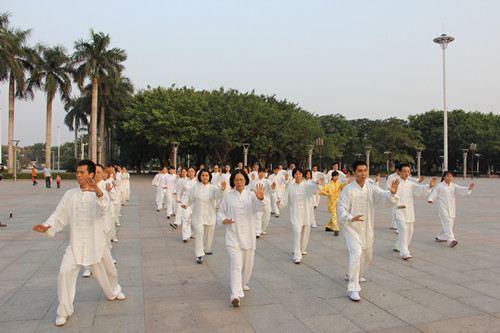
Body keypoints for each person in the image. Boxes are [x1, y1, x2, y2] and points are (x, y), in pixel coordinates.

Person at [32, 160, 125, 326]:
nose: (79, 175)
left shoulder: (99, 192)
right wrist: (47, 225)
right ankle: (63, 311)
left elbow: (104, 208)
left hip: (97, 243)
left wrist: (97, 191)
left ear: (90, 174)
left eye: (82, 172)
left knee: (108, 271)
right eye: (77, 172)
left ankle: (113, 291)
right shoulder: (70, 195)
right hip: (76, 245)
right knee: (64, 272)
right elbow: (58, 214)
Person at [337, 161, 399, 302]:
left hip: (367, 227)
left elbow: (385, 199)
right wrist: (351, 217)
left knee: (367, 256)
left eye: (365, 170)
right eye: (360, 171)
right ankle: (353, 288)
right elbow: (340, 208)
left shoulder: (372, 188)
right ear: (354, 172)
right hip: (352, 227)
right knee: (357, 253)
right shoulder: (348, 189)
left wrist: (392, 194)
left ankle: (355, 275)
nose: (363, 173)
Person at [217, 169, 265, 307]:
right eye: (236, 180)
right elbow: (220, 212)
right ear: (233, 181)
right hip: (233, 236)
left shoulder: (251, 195)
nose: (239, 182)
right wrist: (224, 219)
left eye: (241, 179)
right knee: (236, 265)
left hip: (249, 236)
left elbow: (260, 207)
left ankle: (242, 283)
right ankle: (235, 295)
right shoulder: (227, 196)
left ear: (246, 180)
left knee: (247, 266)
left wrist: (261, 198)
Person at [278, 167, 322, 264]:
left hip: (306, 213)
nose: (298, 176)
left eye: (299, 174)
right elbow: (285, 198)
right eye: (296, 174)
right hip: (296, 214)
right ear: (293, 175)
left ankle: (301, 249)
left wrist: (318, 184)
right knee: (297, 233)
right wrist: (280, 203)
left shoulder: (307, 185)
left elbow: (315, 190)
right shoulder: (291, 187)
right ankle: (297, 255)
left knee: (305, 233)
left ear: (303, 175)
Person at [393, 164, 437, 260]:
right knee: (403, 230)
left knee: (410, 231)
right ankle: (404, 251)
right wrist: (398, 204)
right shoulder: (395, 183)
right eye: (404, 171)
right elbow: (392, 195)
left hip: (409, 211)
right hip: (400, 211)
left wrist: (429, 186)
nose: (406, 173)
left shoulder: (410, 183)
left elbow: (419, 189)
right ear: (399, 172)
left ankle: (398, 246)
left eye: (408, 171)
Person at [182, 169, 226, 263]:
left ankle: (206, 249)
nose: (205, 177)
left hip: (210, 214)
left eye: (206, 175)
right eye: (203, 175)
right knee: (199, 234)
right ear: (200, 177)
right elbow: (189, 197)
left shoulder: (213, 188)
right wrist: (185, 203)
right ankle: (199, 254)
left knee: (209, 234)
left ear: (209, 177)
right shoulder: (195, 187)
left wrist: (222, 189)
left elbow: (218, 195)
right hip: (198, 215)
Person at [427, 171, 474, 247]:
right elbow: (434, 193)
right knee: (448, 223)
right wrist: (431, 199)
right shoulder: (440, 186)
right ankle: (451, 240)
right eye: (448, 176)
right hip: (443, 208)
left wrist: (468, 189)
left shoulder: (454, 186)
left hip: (452, 208)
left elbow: (461, 189)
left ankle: (440, 237)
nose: (449, 178)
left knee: (450, 223)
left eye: (451, 176)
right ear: (444, 177)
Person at [319, 171, 351, 235]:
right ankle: (336, 229)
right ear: (332, 177)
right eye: (335, 176)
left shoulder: (339, 184)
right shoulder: (328, 185)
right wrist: (327, 194)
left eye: (337, 176)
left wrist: (349, 183)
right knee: (334, 216)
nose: (336, 177)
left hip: (338, 202)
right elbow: (321, 191)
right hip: (332, 203)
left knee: (335, 216)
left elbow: (344, 186)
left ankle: (328, 226)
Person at [250, 167, 275, 237]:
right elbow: (251, 190)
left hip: (266, 201)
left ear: (265, 173)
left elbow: (272, 189)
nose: (261, 174)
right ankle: (257, 231)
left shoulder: (267, 181)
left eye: (263, 172)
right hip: (257, 201)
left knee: (266, 217)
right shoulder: (254, 181)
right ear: (258, 173)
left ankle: (262, 230)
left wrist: (273, 187)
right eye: (260, 172)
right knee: (258, 216)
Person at [178, 167, 197, 242]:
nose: (191, 173)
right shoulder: (184, 181)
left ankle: (192, 233)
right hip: (185, 202)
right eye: (189, 172)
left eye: (192, 172)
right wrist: (179, 199)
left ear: (194, 173)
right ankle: (185, 236)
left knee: (194, 220)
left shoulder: (197, 182)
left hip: (195, 203)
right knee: (185, 219)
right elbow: (179, 191)